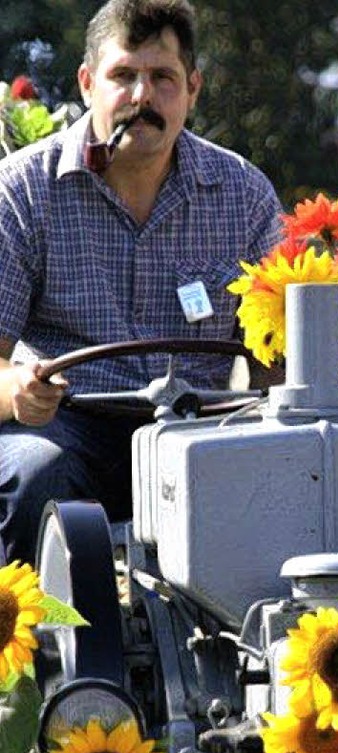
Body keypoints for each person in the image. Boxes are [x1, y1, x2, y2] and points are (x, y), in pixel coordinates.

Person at [0, 0, 282, 564]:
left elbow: (275, 368)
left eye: (163, 78)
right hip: (69, 427)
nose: (142, 97)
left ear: (193, 89)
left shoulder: (244, 195)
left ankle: (256, 646)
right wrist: (20, 391)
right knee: (34, 473)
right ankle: (34, 644)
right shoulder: (23, 190)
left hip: (203, 432)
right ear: (86, 83)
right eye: (123, 75)